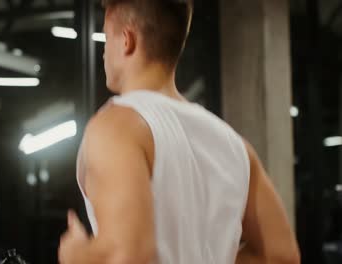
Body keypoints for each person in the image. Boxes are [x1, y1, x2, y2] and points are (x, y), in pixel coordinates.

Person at [58, 0, 301, 263]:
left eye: (106, 38)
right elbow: (281, 255)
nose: (104, 52)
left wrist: (77, 255)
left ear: (127, 40)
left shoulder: (116, 127)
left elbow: (126, 254)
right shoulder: (235, 145)